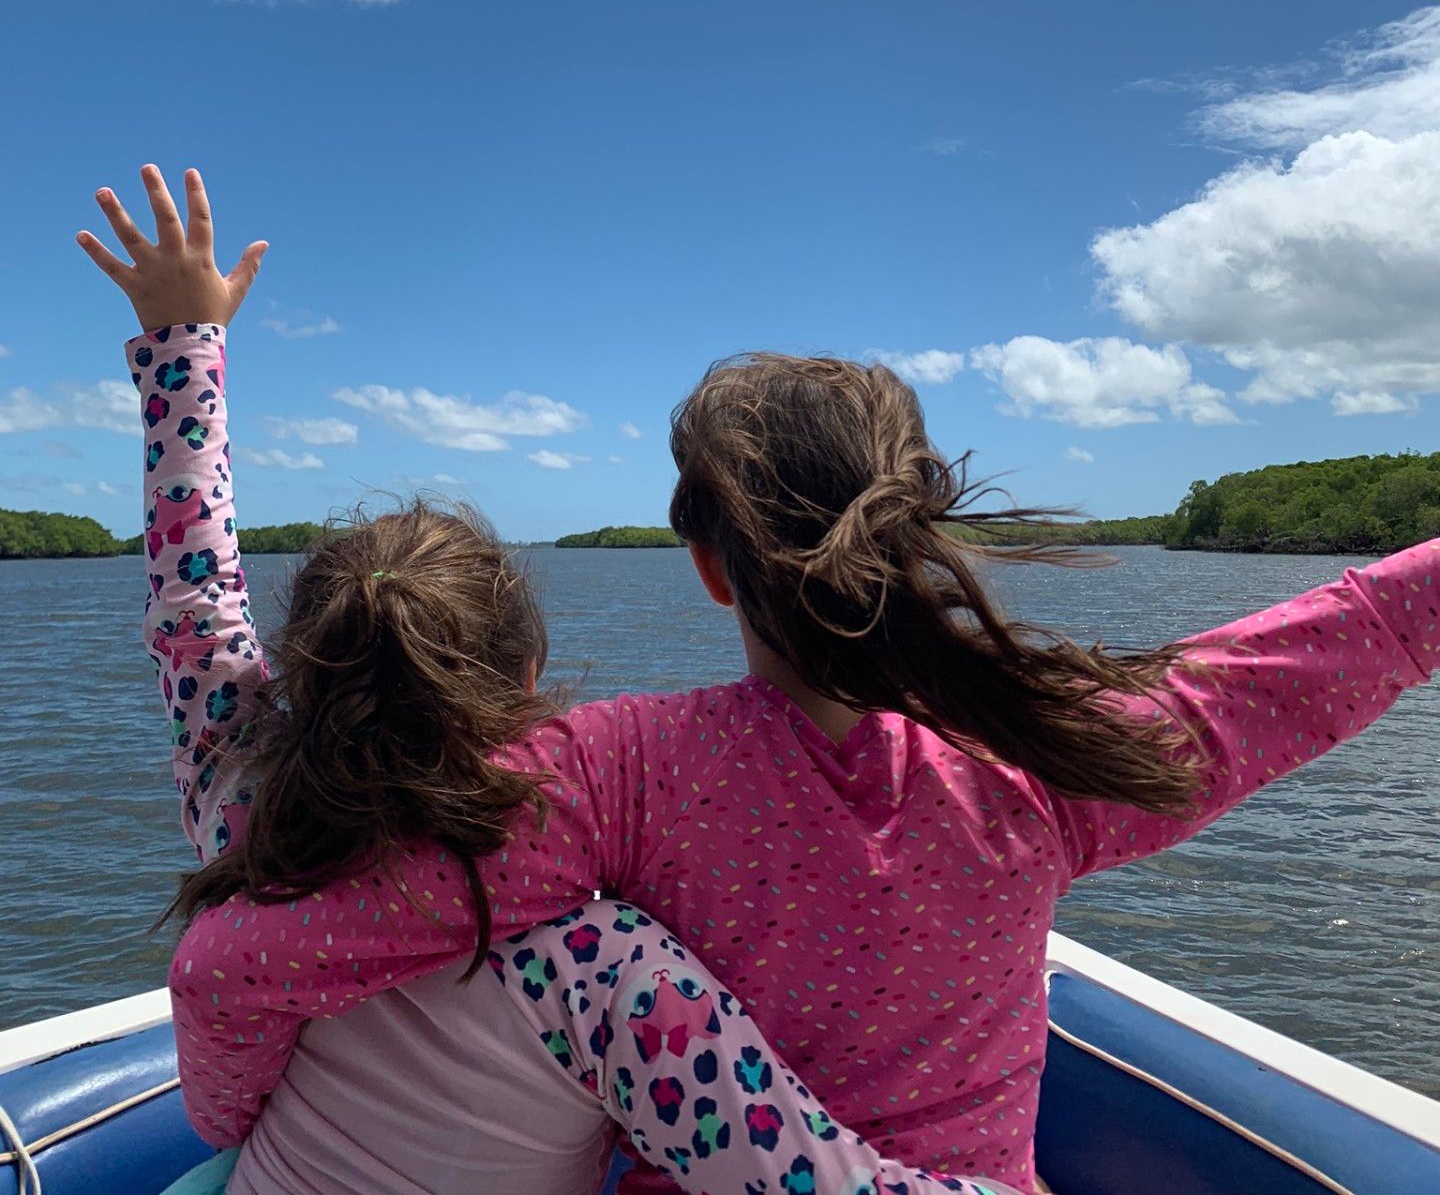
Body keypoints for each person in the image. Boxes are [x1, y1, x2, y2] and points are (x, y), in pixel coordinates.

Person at [83, 171, 1440, 1195]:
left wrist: (182, 353)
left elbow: (303, 914)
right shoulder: (1048, 763)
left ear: (709, 567)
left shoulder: (615, 773)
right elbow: (1320, 651)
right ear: (920, 536)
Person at [81, 164, 1021, 1195]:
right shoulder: (607, 966)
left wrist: (185, 343)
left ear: (306, 667)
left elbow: (195, 605)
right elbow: (811, 1182)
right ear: (528, 679)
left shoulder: (251, 819)